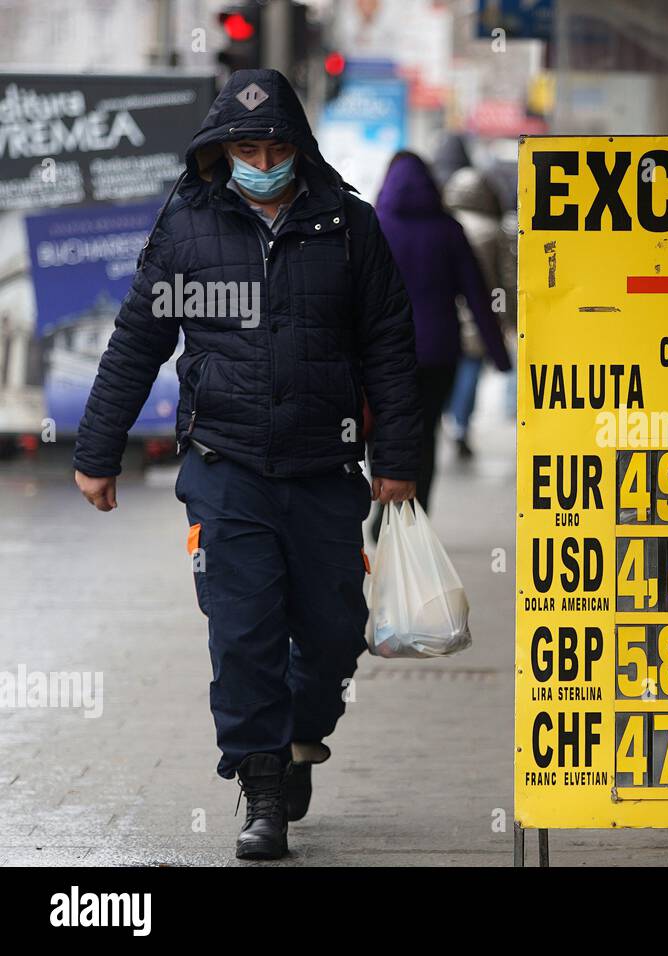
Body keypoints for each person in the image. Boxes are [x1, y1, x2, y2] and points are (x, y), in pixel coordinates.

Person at [71, 69, 422, 861]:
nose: (261, 158)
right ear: (219, 150)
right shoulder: (187, 228)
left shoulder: (349, 227)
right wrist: (97, 452)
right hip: (225, 464)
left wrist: (397, 458)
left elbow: (391, 350)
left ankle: (301, 733)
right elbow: (136, 343)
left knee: (335, 632)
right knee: (243, 633)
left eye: (275, 145)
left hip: (325, 465)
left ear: (298, 147)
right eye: (245, 146)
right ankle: (262, 786)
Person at [368, 151, 511, 541]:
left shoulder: (375, 226)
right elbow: (478, 297)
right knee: (424, 434)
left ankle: (384, 506)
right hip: (437, 354)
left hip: (380, 356)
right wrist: (499, 356)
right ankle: (415, 514)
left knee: (382, 430)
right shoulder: (448, 230)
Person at [441, 164, 513, 459]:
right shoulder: (493, 231)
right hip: (480, 311)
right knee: (471, 367)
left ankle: (447, 416)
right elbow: (504, 277)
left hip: (449, 312)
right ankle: (461, 423)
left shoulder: (446, 223)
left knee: (451, 369)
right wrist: (504, 312)